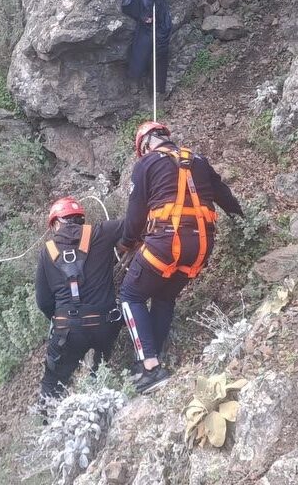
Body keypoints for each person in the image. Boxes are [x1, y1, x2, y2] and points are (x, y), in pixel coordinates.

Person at [119, 122, 243, 393]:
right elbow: (225, 196)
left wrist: (127, 243)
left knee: (130, 295)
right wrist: (242, 221)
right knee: (164, 297)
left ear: (145, 145)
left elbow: (135, 216)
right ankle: (152, 358)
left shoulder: (146, 164)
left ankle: (150, 368)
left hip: (165, 244)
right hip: (201, 247)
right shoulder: (198, 160)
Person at [35, 196, 124, 402]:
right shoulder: (102, 232)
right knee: (100, 370)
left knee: (52, 384)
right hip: (106, 324)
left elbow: (43, 301)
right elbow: (135, 223)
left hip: (68, 330)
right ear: (81, 219)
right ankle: (99, 393)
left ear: (56, 223)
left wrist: (59, 319)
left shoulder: (47, 252)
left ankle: (49, 414)